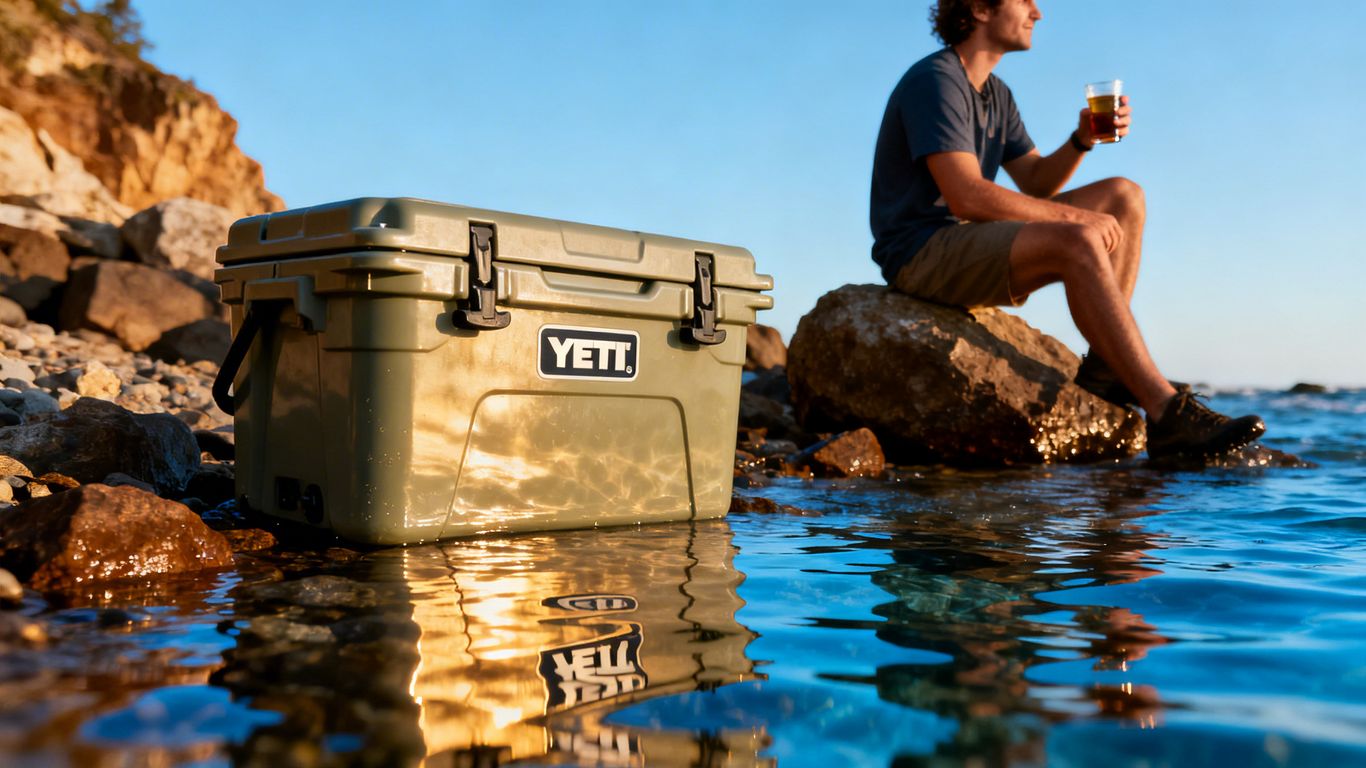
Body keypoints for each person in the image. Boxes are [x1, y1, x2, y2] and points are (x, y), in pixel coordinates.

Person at [870, 0, 1264, 459]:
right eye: (1025, 1)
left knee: (1124, 196)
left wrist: (1082, 141)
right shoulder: (935, 80)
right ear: (979, 9)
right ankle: (1167, 412)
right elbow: (968, 196)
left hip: (970, 243)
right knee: (1077, 238)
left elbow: (1035, 181)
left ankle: (1105, 369)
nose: (1037, 13)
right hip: (922, 252)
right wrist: (1076, 218)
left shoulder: (996, 93)